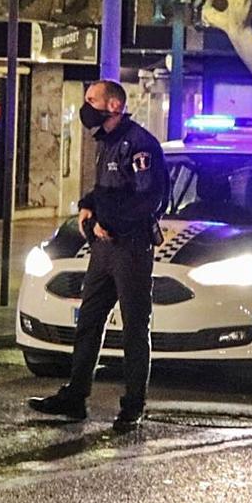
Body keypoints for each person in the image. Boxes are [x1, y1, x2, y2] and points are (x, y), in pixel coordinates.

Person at [28, 79, 168, 433]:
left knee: (136, 327)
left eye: (92, 100)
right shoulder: (106, 142)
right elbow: (104, 190)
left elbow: (147, 199)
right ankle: (76, 396)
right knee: (89, 320)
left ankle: (133, 406)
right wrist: (88, 208)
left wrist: (112, 223)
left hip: (130, 248)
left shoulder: (139, 145)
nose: (85, 106)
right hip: (103, 249)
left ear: (114, 106)